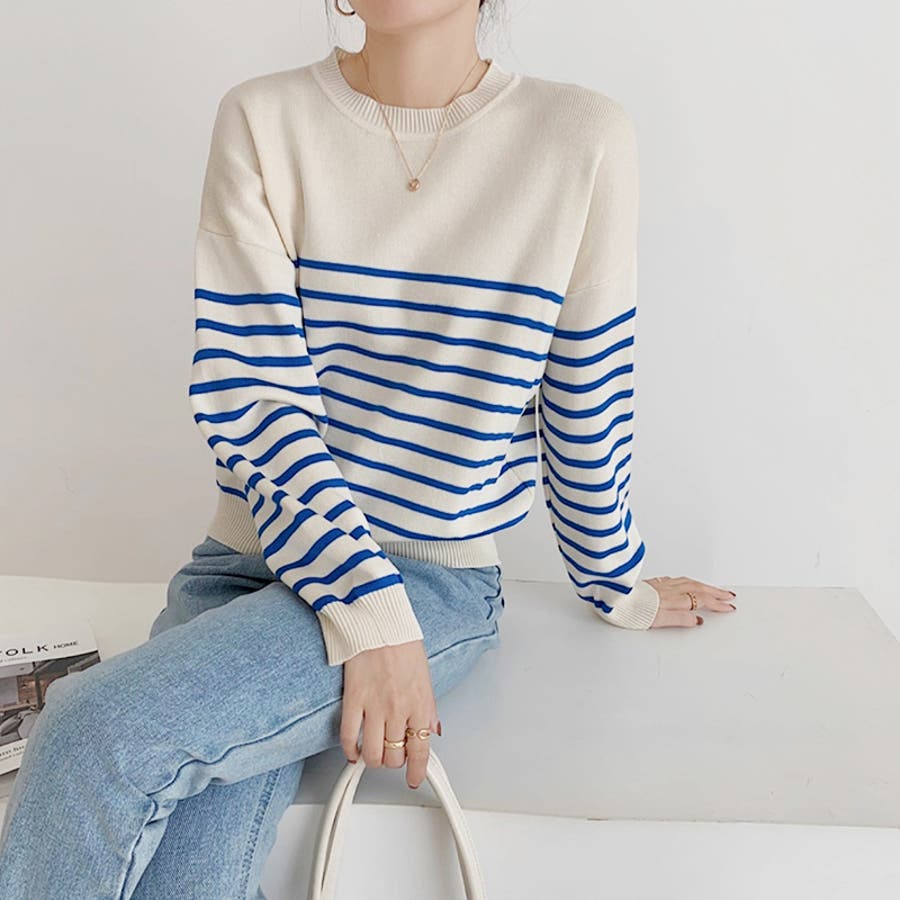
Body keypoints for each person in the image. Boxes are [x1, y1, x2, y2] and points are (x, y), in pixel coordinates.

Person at [0, 1, 738, 896]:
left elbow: (586, 393)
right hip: (245, 565)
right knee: (181, 871)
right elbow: (255, 392)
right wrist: (366, 613)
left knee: (92, 733)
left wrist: (615, 579)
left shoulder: (579, 135)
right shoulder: (264, 118)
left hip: (429, 576)